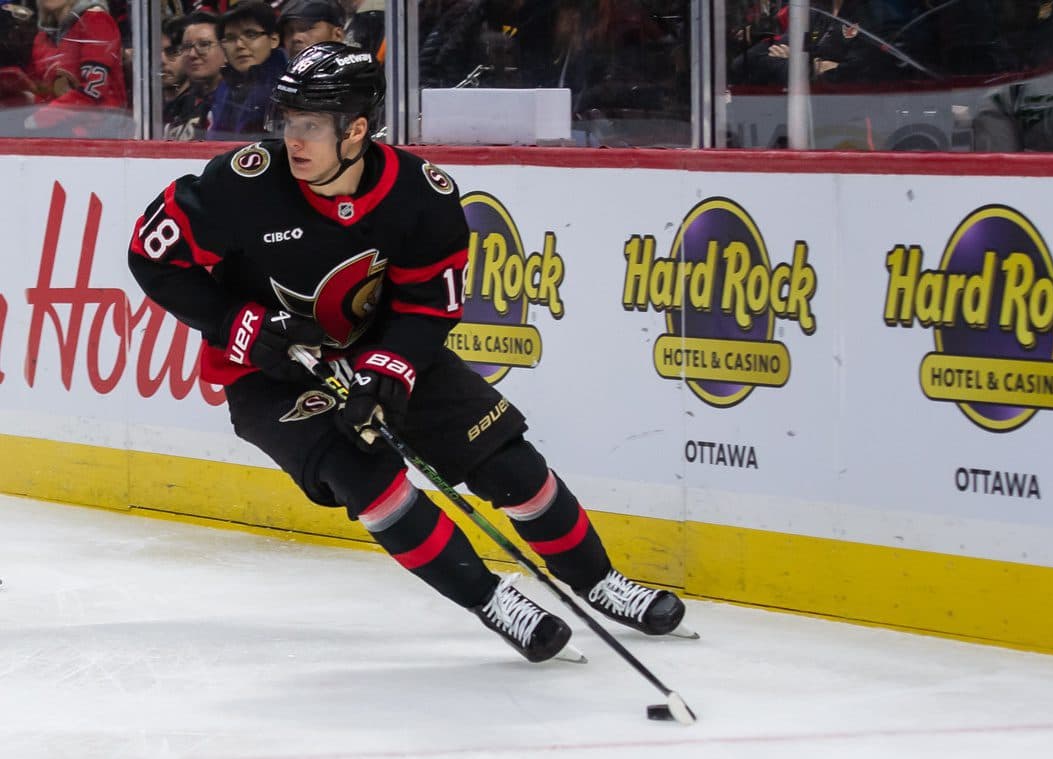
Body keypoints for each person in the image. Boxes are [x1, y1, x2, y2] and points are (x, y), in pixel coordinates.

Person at [127, 42, 686, 664]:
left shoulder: (420, 194)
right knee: (365, 479)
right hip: (270, 372)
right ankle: (492, 599)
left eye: (311, 127)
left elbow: (428, 302)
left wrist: (389, 368)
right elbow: (153, 257)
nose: (295, 141)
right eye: (289, 124)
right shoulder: (242, 184)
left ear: (357, 130)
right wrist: (237, 323)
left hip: (384, 350)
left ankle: (598, 581)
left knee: (506, 461)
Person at [25, 0, 128, 135]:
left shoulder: (96, 21)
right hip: (56, 131)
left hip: (98, 135)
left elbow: (93, 90)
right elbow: (42, 90)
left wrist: (39, 118)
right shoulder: (42, 37)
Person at [206, 0, 285, 140]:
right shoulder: (224, 88)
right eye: (230, 38)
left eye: (251, 35)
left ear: (274, 39)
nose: (239, 45)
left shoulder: (288, 89)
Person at [165, 10, 225, 140]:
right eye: (186, 47)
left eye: (204, 45)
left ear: (225, 49)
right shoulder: (176, 107)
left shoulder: (236, 105)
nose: (192, 54)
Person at [277, 0, 345, 59]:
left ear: (337, 35)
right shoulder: (281, 72)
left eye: (307, 28)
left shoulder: (353, 72)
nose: (295, 38)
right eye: (289, 31)